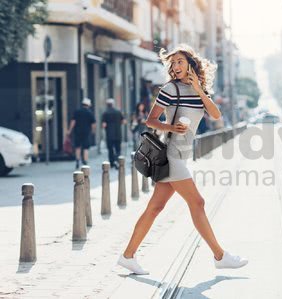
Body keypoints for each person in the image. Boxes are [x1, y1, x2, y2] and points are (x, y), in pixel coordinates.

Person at [117, 44, 248, 275]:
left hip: (181, 155)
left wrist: (198, 88)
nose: (175, 66)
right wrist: (171, 127)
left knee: (155, 208)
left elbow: (216, 115)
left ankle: (128, 255)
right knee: (197, 203)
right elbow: (151, 120)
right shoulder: (170, 89)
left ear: (190, 64)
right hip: (171, 154)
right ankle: (220, 255)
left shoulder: (198, 92)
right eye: (173, 62)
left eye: (180, 61)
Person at [67, 98, 96, 169]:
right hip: (86, 132)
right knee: (86, 147)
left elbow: (73, 122)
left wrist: (69, 130)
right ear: (88, 105)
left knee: (78, 147)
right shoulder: (89, 112)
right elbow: (93, 124)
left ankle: (77, 161)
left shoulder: (77, 112)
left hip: (77, 132)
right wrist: (93, 131)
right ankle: (85, 161)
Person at [101, 98, 125, 169]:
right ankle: (117, 161)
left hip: (109, 134)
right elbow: (123, 121)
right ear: (113, 104)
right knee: (118, 149)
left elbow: (104, 125)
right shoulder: (118, 112)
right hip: (118, 134)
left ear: (107, 105)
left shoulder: (105, 113)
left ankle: (112, 162)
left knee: (110, 149)